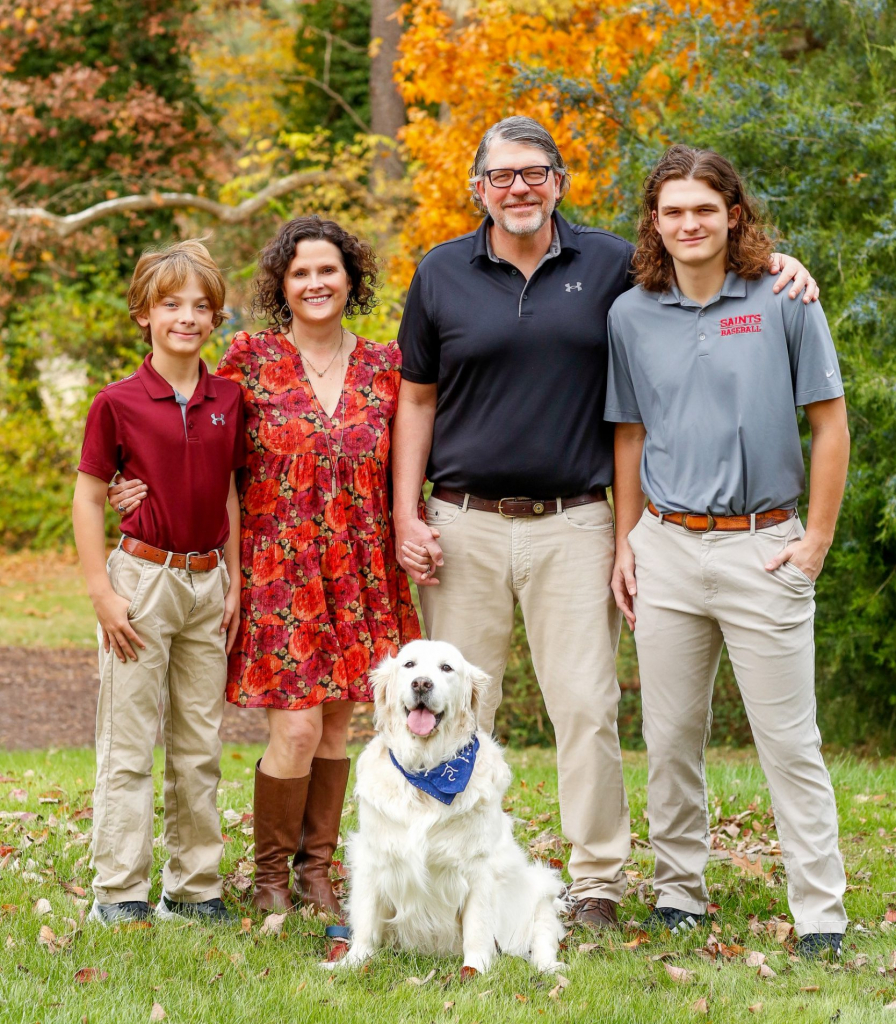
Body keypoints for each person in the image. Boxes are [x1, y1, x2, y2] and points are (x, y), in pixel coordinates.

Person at [391, 115, 818, 932]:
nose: (519, 187)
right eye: (502, 175)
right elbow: (417, 399)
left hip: (577, 521)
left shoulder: (612, 265)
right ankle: (443, 881)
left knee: (586, 710)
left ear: (559, 181)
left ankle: (596, 883)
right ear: (478, 188)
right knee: (450, 710)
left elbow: (700, 269)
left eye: (535, 172)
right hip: (463, 522)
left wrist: (779, 265)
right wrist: (406, 512)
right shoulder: (440, 272)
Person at [111, 217, 421, 918]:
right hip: (279, 570)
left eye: (328, 270)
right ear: (282, 285)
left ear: (351, 279)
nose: (315, 283)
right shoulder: (249, 358)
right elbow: (190, 428)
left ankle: (317, 874)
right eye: (300, 272)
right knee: (298, 730)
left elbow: (412, 453)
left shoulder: (386, 366)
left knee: (337, 729)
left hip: (362, 568)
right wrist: (132, 477)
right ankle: (271, 876)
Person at [606, 145, 849, 955]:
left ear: (733, 214)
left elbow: (830, 425)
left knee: (790, 743)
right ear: (654, 222)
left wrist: (815, 540)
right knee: (671, 737)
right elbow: (629, 435)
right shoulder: (630, 314)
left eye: (705, 209)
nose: (690, 224)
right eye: (673, 211)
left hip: (764, 547)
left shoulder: (783, 295)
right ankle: (679, 893)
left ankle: (820, 913)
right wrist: (627, 541)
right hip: (667, 548)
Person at [73, 240, 244, 925]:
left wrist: (233, 579)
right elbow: (89, 497)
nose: (187, 317)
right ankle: (119, 891)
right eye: (171, 304)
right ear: (144, 313)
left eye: (201, 306)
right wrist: (102, 592)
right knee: (129, 742)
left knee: (200, 746)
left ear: (216, 318)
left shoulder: (229, 397)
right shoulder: (116, 402)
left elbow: (229, 490)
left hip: (208, 583)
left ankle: (194, 888)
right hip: (141, 582)